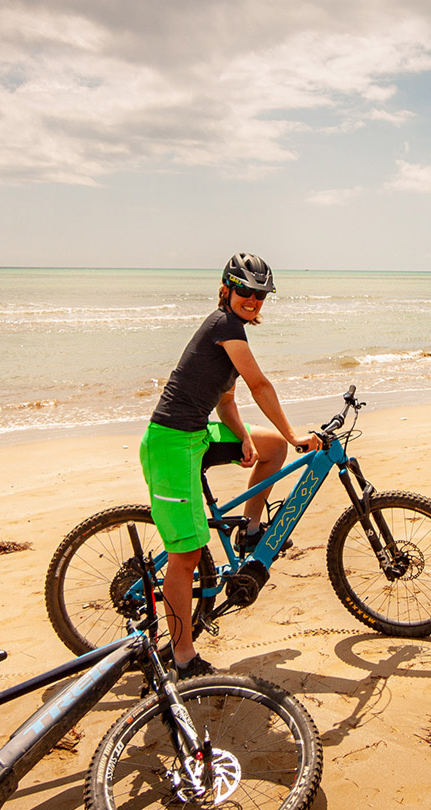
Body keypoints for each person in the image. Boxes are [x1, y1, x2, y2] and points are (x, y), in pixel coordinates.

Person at [139, 252, 323, 678]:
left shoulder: (231, 331)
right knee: (185, 556)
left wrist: (243, 437)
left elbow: (225, 400)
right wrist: (296, 433)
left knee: (270, 447)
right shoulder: (224, 325)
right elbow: (259, 384)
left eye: (260, 295)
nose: (253, 300)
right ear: (226, 289)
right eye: (245, 291)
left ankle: (251, 529)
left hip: (197, 435)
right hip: (170, 442)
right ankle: (182, 659)